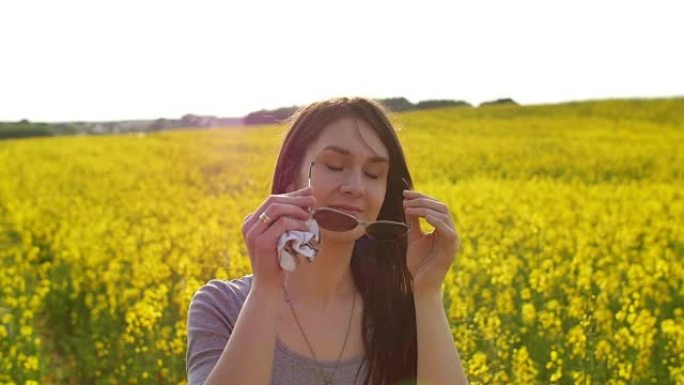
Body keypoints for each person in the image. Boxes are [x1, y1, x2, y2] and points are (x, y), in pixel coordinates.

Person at [186, 97, 469, 385]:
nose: (356, 187)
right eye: (334, 166)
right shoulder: (222, 306)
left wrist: (427, 292)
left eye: (373, 173)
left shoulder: (399, 309)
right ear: (290, 180)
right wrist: (266, 288)